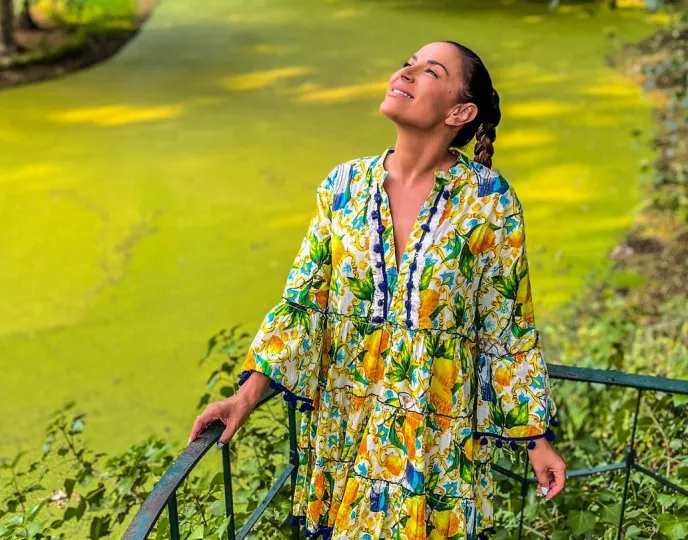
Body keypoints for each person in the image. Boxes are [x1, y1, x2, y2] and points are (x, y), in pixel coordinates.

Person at [189, 41, 566, 539]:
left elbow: (507, 328)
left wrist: (536, 438)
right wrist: (243, 398)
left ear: (461, 111)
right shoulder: (343, 187)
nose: (406, 72)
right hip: (346, 433)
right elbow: (304, 304)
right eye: (408, 62)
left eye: (429, 70)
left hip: (434, 448)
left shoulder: (491, 202)